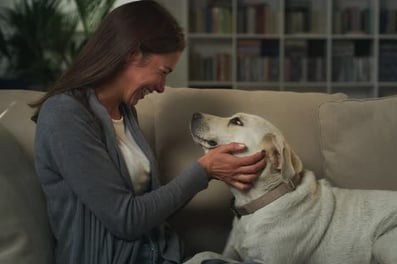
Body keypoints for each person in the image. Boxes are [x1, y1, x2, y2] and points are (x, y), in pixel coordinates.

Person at [30, 1, 266, 263]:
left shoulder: (125, 113)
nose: (162, 87)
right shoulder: (64, 115)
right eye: (163, 72)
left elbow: (151, 212)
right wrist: (205, 171)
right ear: (132, 53)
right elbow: (126, 220)